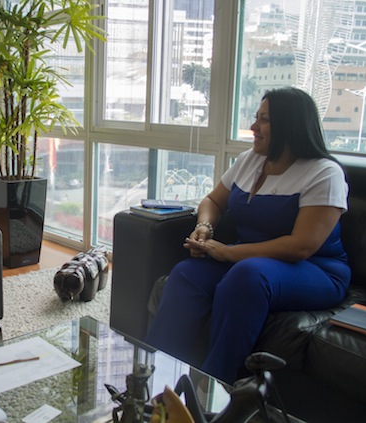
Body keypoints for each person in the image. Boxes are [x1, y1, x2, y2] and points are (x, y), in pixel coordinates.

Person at [145, 87, 351, 384]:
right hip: (249, 261)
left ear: (290, 125)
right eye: (256, 118)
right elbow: (213, 201)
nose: (253, 127)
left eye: (264, 120)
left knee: (247, 275)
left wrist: (227, 252)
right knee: (187, 273)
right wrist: (205, 227)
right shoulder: (250, 160)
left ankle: (214, 390)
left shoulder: (324, 173)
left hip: (316, 270)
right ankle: (155, 377)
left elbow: (301, 247)